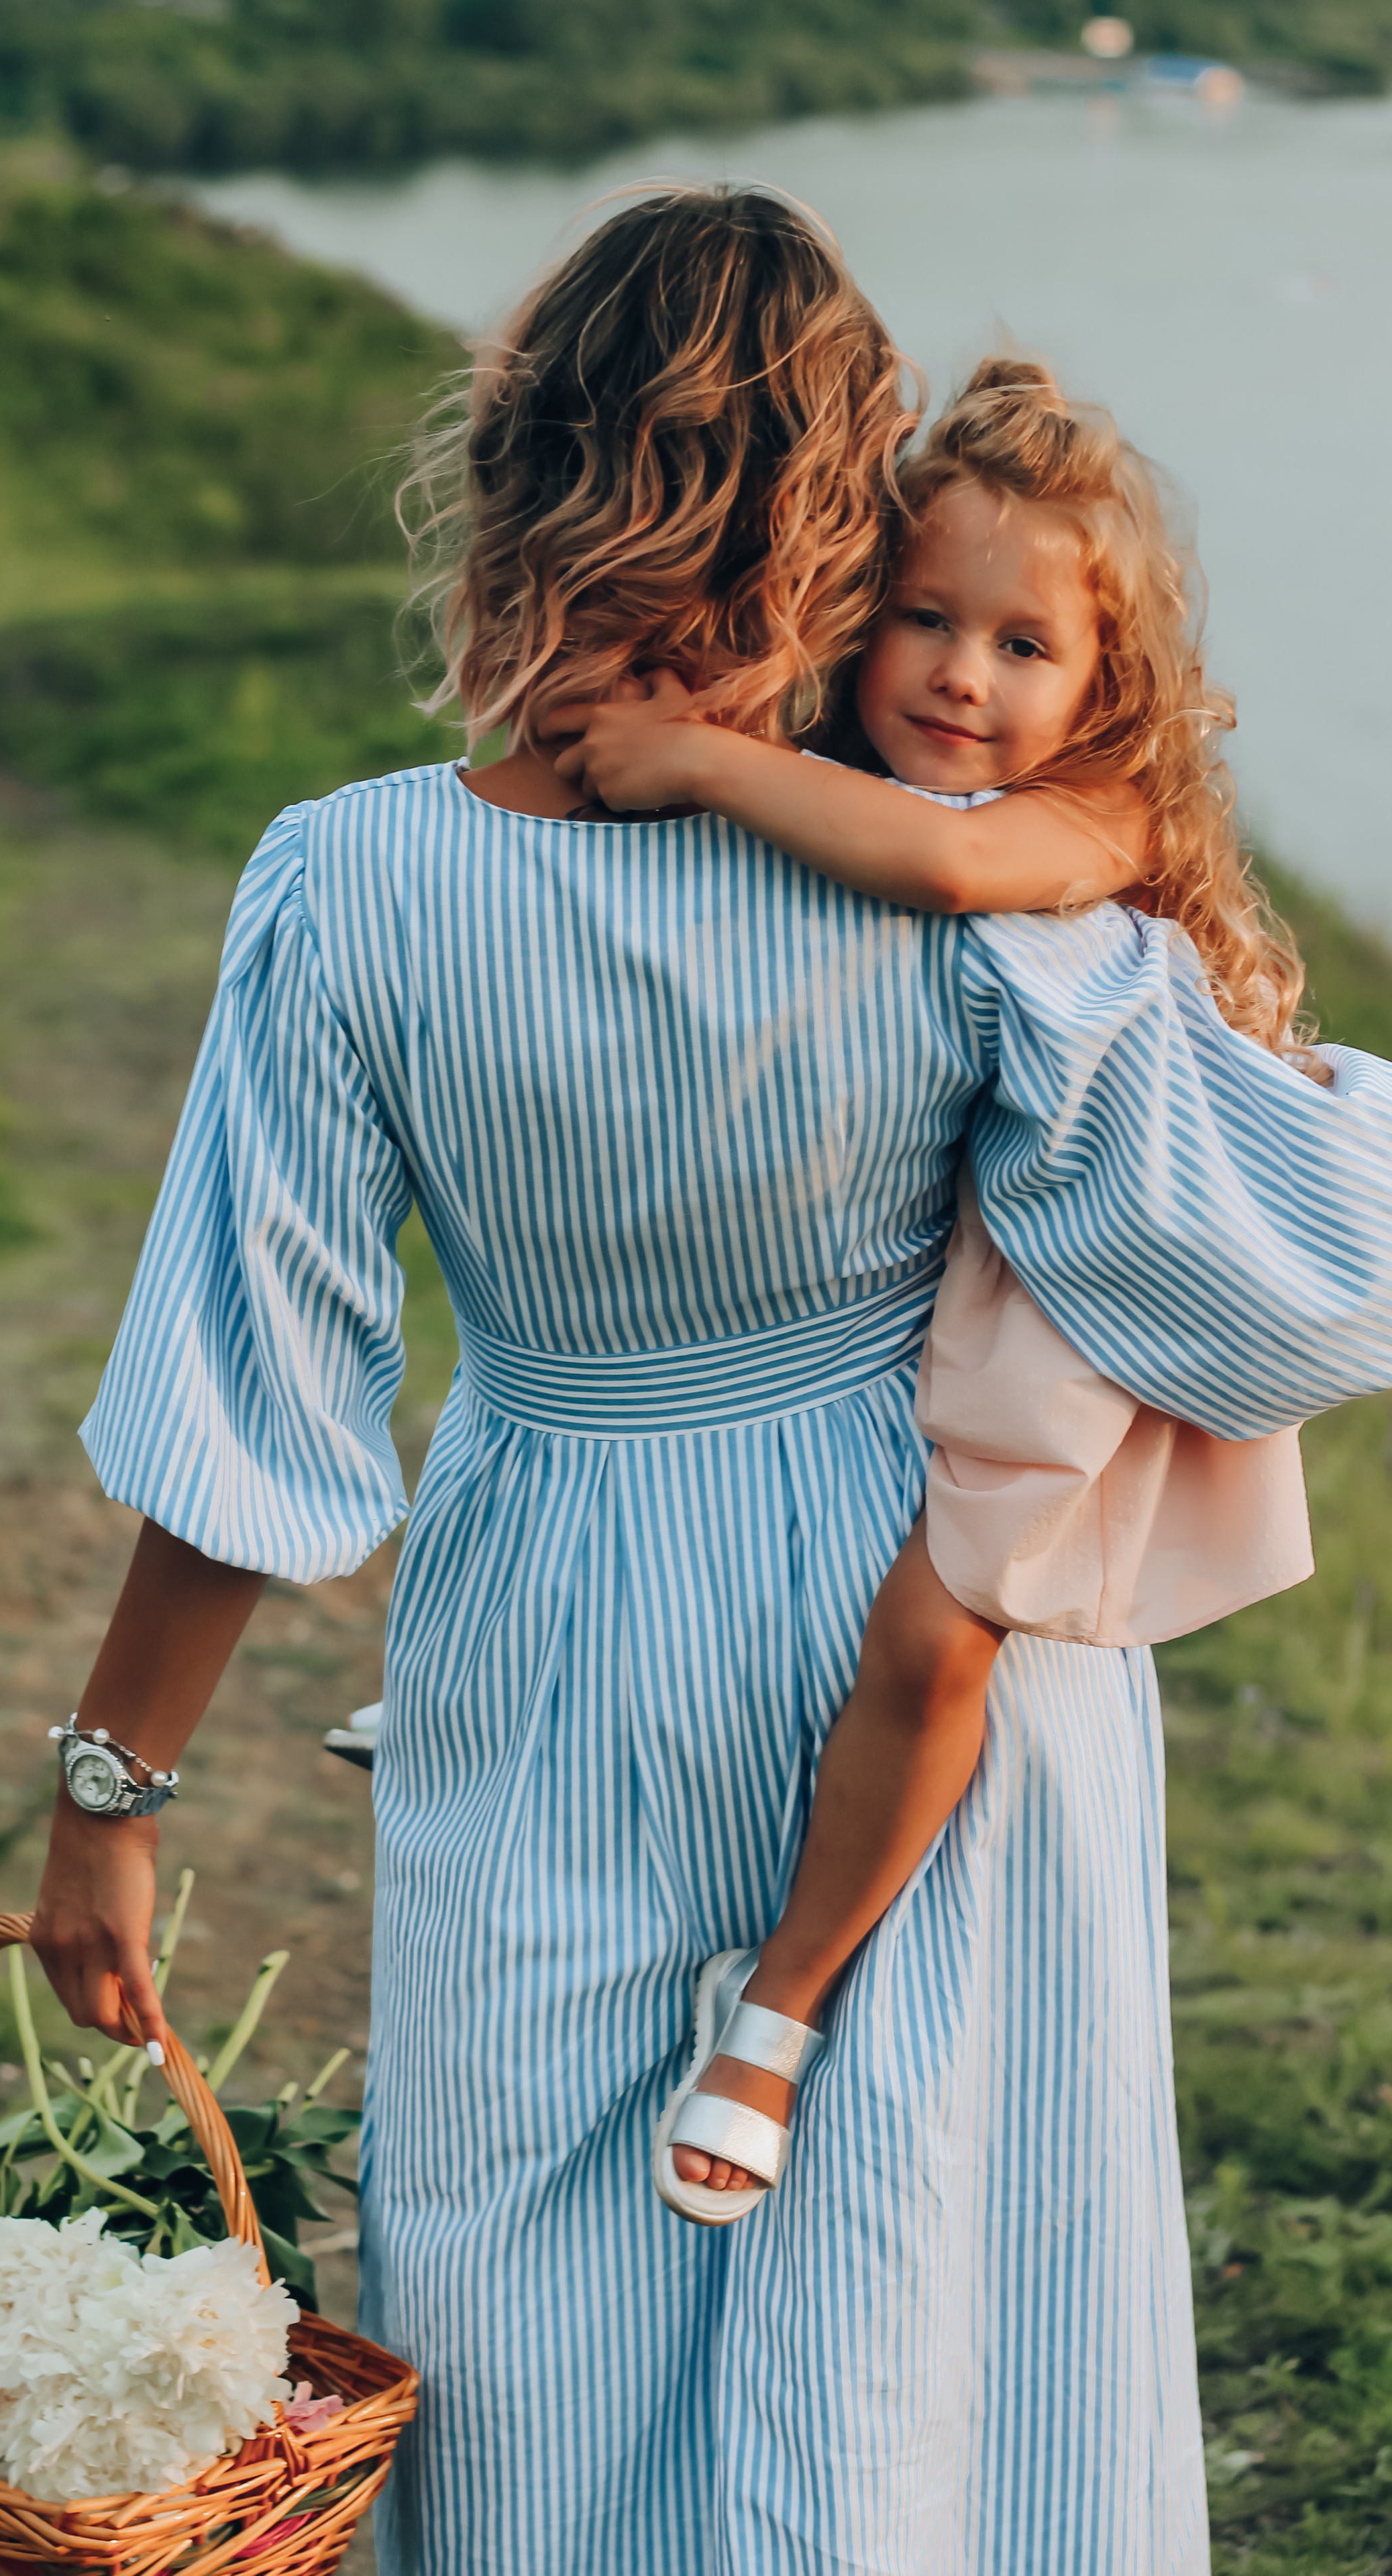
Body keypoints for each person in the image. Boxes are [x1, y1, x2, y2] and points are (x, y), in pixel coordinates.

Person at [31, 189, 1392, 2574]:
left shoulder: (352, 887)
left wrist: (108, 1795)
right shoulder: (975, 886)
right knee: (929, 2282)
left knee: (528, 2286)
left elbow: (251, 1402)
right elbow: (1318, 1269)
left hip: (554, 1615)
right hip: (931, 1613)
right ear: (849, 506)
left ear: (511, 465)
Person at [550, 356, 1316, 2223]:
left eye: (1024, 645)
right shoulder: (847, 780)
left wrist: (697, 761)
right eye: (924, 618)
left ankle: (778, 2010)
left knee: (941, 1627)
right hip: (971, 1235)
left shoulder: (1100, 814)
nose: (964, 675)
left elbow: (957, 874)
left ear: (1107, 684)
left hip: (1086, 1282)